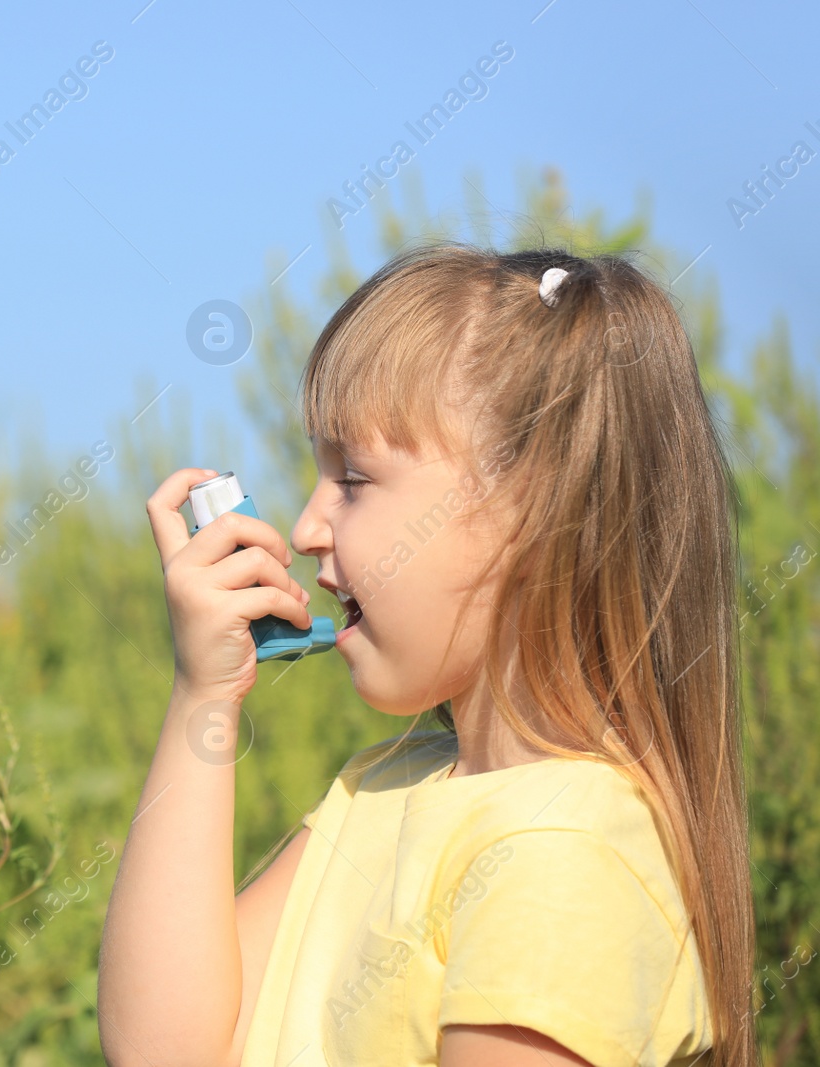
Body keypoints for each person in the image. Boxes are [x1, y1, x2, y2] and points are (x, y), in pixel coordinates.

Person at [96, 243, 756, 1067]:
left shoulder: (562, 854)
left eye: (354, 479)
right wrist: (205, 695)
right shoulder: (383, 788)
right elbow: (164, 1050)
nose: (305, 528)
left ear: (532, 509)